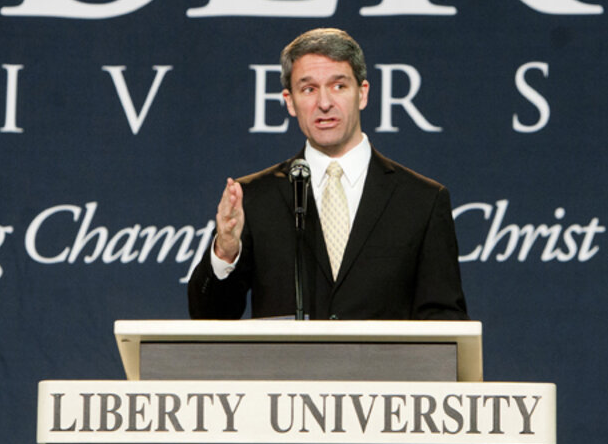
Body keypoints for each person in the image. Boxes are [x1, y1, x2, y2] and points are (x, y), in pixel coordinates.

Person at [187, 28, 468, 320]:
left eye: (338, 86)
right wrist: (225, 253)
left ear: (362, 93)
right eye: (308, 89)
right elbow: (208, 318)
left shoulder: (421, 200)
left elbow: (445, 320)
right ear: (289, 101)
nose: (324, 103)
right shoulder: (255, 198)